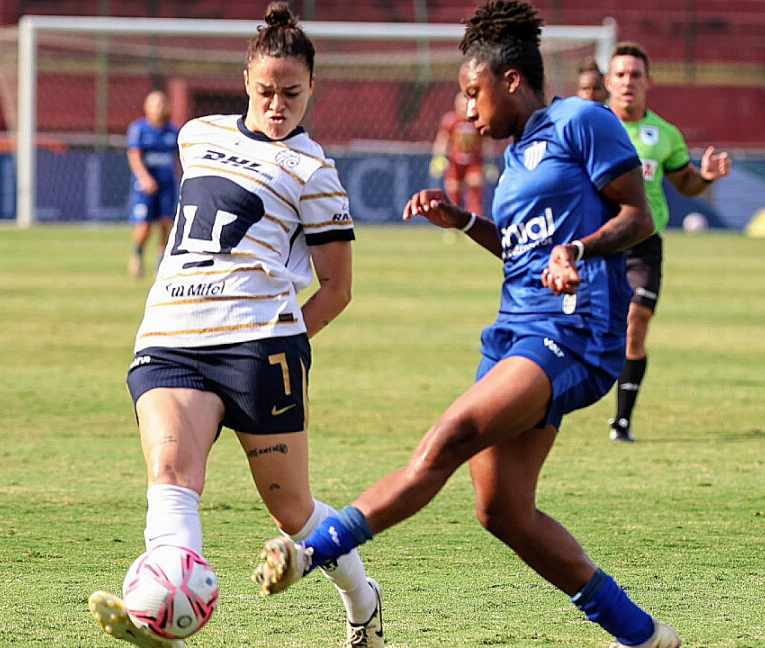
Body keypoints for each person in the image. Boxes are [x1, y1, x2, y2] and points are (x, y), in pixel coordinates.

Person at [253, 2, 681, 647]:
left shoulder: (581, 121)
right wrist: (464, 222)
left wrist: (580, 251)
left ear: (511, 80)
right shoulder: (514, 161)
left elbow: (638, 216)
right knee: (502, 511)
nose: (469, 111)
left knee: (451, 434)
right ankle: (645, 636)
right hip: (514, 331)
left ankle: (316, 549)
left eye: (473, 93)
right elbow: (521, 249)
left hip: (575, 329)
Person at [88, 4, 383, 648]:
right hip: (170, 337)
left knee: (292, 510)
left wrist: (280, 341)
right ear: (245, 80)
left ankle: (364, 602)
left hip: (259, 352)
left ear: (312, 89)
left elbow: (338, 289)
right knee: (171, 474)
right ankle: (165, 615)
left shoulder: (316, 172)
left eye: (292, 93)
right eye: (266, 91)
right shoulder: (195, 135)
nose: (277, 105)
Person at [600, 42, 731, 442]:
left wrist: (705, 177)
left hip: (643, 244)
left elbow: (686, 184)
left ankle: (622, 421)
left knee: (635, 323)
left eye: (635, 75)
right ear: (608, 81)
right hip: (599, 243)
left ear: (648, 82)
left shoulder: (666, 135)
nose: (627, 83)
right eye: (620, 75)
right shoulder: (591, 125)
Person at [126, 90, 180, 278]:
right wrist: (144, 178)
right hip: (145, 188)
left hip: (167, 186)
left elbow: (179, 159)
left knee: (166, 223)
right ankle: (137, 254)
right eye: (154, 104)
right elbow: (134, 156)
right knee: (144, 226)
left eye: (162, 103)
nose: (159, 108)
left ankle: (161, 262)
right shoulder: (139, 129)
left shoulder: (173, 132)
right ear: (146, 107)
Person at [430, 92, 486, 216]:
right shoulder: (451, 120)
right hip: (455, 163)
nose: (463, 107)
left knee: (475, 190)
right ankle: (453, 226)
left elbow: (486, 142)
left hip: (474, 162)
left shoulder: (478, 120)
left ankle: (476, 221)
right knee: (454, 193)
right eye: (461, 104)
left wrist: (490, 162)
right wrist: (438, 158)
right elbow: (442, 140)